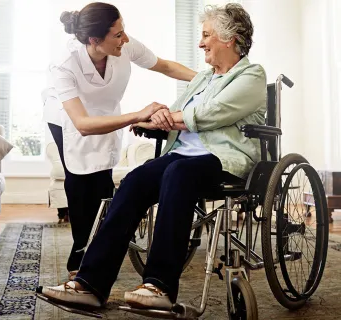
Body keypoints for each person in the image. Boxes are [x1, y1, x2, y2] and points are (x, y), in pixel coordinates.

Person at [38, 3, 266, 311]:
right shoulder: (203, 78)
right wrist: (147, 118)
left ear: (228, 39)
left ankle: (159, 285)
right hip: (182, 156)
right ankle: (89, 283)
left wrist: (160, 116)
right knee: (135, 180)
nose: (200, 43)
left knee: (179, 174)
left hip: (223, 160)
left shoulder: (251, 75)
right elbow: (174, 115)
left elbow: (208, 114)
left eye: (206, 36)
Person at [42, 2, 197, 280]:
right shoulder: (64, 65)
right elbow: (83, 125)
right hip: (68, 117)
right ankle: (80, 256)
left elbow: (164, 66)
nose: (124, 39)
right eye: (117, 34)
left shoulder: (125, 45)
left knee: (102, 180)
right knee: (79, 182)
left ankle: (97, 249)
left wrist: (209, 80)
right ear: (94, 40)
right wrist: (137, 115)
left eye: (124, 31)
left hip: (105, 112)